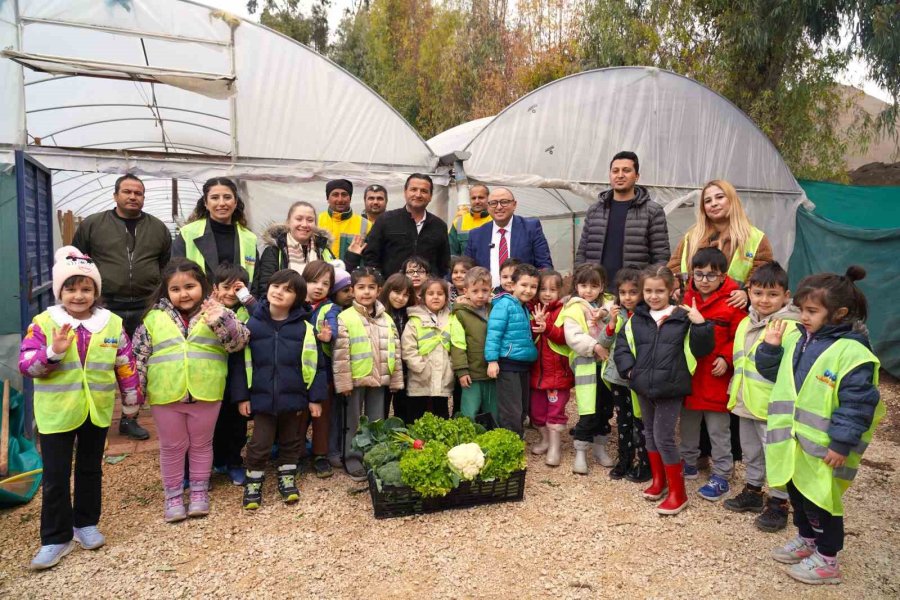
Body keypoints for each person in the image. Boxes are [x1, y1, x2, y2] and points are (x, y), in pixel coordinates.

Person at [757, 266, 882, 586]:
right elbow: (778, 375)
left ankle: (828, 560)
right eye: (801, 310)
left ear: (838, 313)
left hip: (825, 448)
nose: (803, 317)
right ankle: (807, 540)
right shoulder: (801, 339)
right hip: (796, 444)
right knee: (799, 497)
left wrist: (841, 444)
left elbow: (857, 404)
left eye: (811, 311)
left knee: (822, 502)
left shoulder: (852, 353)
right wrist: (770, 348)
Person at [20, 247, 141, 570]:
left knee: (90, 469)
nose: (78, 295)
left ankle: (86, 523)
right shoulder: (44, 323)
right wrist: (53, 353)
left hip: (95, 410)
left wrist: (131, 401)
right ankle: (54, 538)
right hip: (57, 412)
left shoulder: (111, 324)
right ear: (60, 291)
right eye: (71, 288)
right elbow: (27, 365)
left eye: (86, 288)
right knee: (56, 476)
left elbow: (125, 363)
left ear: (96, 292)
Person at [133, 258, 249, 522]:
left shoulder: (218, 311)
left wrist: (220, 320)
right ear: (166, 292)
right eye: (175, 289)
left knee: (201, 444)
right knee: (172, 446)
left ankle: (199, 492)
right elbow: (138, 357)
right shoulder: (153, 318)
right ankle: (173, 496)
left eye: (190, 286)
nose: (184, 294)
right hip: (166, 395)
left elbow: (238, 342)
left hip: (207, 392)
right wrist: (134, 397)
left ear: (202, 285)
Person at [72, 173, 170, 441]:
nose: (132, 197)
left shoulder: (157, 228)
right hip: (105, 306)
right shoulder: (94, 225)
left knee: (137, 364)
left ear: (143, 197)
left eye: (138, 193)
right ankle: (89, 419)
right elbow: (78, 261)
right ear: (115, 195)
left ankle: (130, 418)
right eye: (127, 191)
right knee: (98, 360)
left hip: (144, 306)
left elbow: (165, 265)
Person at [614, 265, 714, 515]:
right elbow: (622, 346)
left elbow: (702, 350)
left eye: (660, 290)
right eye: (648, 290)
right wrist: (629, 371)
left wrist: (701, 325)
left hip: (671, 386)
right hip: (643, 385)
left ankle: (678, 494)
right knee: (649, 433)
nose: (653, 296)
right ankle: (659, 482)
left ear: (672, 290)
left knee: (664, 437)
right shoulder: (637, 317)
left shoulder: (682, 318)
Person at [240, 269, 327, 509]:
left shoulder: (304, 328)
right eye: (276, 286)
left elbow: (317, 365)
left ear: (298, 298)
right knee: (260, 442)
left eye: (288, 290)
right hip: (262, 398)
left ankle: (287, 476)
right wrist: (242, 397)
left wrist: (315, 399)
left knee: (292, 440)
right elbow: (241, 364)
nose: (279, 292)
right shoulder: (252, 324)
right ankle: (254, 479)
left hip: (294, 397)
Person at [723, 261, 799, 532]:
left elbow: (789, 371)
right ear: (749, 291)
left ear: (786, 296)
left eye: (772, 294)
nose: (764, 300)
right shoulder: (745, 322)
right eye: (758, 293)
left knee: (776, 454)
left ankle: (779, 502)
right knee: (751, 451)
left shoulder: (790, 328)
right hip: (746, 401)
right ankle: (754, 492)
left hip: (773, 408)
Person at [678, 248, 747, 501]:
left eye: (711, 275)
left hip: (716, 376)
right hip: (690, 375)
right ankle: (688, 461)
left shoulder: (732, 303)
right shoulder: (686, 298)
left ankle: (722, 473)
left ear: (723, 276)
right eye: (699, 274)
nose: (704, 280)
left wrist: (726, 358)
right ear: (692, 275)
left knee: (719, 429)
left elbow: (740, 336)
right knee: (688, 423)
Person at [332, 267, 404, 480]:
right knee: (352, 421)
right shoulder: (345, 317)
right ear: (352, 291)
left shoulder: (386, 319)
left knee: (377, 420)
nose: (366, 292)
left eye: (371, 287)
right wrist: (343, 383)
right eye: (361, 287)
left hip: (380, 379)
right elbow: (341, 355)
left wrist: (395, 379)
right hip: (354, 380)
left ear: (379, 290)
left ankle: (374, 457)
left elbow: (395, 351)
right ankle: (352, 458)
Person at [669, 179, 773, 306]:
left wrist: (747, 293)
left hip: (731, 311)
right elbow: (673, 268)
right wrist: (675, 288)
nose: (713, 204)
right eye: (708, 201)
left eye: (719, 197)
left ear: (732, 200)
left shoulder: (755, 237)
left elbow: (763, 273)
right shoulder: (691, 237)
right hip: (692, 308)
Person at [575, 151, 670, 287]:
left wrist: (651, 289)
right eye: (615, 171)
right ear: (610, 175)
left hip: (633, 293)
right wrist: (579, 284)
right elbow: (582, 253)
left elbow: (661, 257)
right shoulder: (595, 210)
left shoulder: (652, 211)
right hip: (597, 292)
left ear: (637, 176)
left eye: (626, 170)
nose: (620, 175)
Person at [555, 264, 615, 474]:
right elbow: (573, 337)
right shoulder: (573, 308)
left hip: (607, 365)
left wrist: (605, 314)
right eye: (583, 285)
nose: (588, 290)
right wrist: (595, 346)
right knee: (588, 408)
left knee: (606, 408)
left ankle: (600, 448)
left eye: (594, 285)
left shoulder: (608, 303)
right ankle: (581, 451)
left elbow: (617, 316)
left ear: (602, 286)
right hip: (586, 364)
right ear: (576, 286)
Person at [598, 267, 651, 482]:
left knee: (642, 421)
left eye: (633, 292)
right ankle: (624, 459)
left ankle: (645, 462)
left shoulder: (646, 315)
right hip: (618, 377)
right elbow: (603, 342)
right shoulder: (617, 313)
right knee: (623, 420)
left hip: (638, 377)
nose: (627, 297)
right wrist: (610, 323)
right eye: (623, 292)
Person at [210, 263, 255, 486]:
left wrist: (246, 298)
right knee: (213, 424)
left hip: (239, 379)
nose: (231, 293)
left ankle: (234, 462)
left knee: (237, 425)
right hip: (211, 377)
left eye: (237, 288)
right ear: (215, 288)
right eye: (226, 287)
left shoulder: (247, 311)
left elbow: (263, 317)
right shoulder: (207, 310)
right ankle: (216, 461)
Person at [485, 263, 540, 437]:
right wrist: (492, 361)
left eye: (533, 287)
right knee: (511, 411)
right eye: (524, 285)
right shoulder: (504, 305)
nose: (528, 290)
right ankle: (512, 451)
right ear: (513, 285)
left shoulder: (524, 307)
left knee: (522, 408)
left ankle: (517, 440)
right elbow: (494, 333)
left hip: (522, 365)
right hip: (508, 365)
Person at [360, 173, 451, 278]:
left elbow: (444, 264)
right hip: (393, 290)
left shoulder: (439, 226)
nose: (418, 194)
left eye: (424, 191)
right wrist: (382, 283)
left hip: (426, 291)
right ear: (405, 192)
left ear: (430, 196)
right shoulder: (385, 221)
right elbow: (371, 257)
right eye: (413, 189)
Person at [173, 177, 259, 282]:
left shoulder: (249, 238)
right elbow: (175, 272)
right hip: (200, 297)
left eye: (227, 197)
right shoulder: (188, 233)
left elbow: (255, 280)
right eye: (215, 198)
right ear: (205, 203)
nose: (222, 203)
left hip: (238, 297)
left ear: (235, 202)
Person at [465, 187, 553, 288]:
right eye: (493, 203)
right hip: (487, 299)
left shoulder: (531, 228)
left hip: (524, 298)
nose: (499, 207)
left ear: (514, 204)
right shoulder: (477, 235)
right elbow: (468, 271)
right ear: (488, 207)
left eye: (504, 202)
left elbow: (544, 266)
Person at [528, 270, 572, 467]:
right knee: (537, 411)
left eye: (552, 289)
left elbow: (565, 337)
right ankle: (545, 440)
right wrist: (534, 324)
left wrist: (547, 327)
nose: (547, 293)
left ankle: (555, 446)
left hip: (557, 373)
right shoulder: (530, 308)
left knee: (555, 411)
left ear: (560, 291)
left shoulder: (564, 311)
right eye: (543, 289)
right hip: (537, 373)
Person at [301, 260, 339, 478]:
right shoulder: (295, 304)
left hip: (322, 370)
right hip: (297, 371)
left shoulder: (329, 307)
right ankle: (295, 454)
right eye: (313, 281)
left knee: (322, 415)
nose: (318, 287)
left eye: (325, 284)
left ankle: (320, 454)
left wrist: (329, 334)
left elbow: (332, 323)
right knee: (297, 415)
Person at [254, 201, 335, 297]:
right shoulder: (274, 251)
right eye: (299, 219)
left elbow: (336, 285)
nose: (304, 224)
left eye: (310, 220)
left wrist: (351, 257)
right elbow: (265, 289)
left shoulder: (324, 250)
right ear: (288, 222)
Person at [402, 278, 454, 421]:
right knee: (416, 419)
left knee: (441, 417)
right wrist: (420, 367)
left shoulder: (451, 319)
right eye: (431, 293)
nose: (436, 297)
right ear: (423, 297)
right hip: (420, 380)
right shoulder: (414, 320)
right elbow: (408, 348)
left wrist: (451, 366)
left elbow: (456, 345)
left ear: (446, 297)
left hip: (443, 379)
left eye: (440, 294)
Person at [449, 267, 497, 422]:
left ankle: (494, 438)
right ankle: (467, 440)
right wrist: (462, 371)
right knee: (469, 411)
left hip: (493, 373)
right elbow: (458, 344)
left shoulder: (495, 309)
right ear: (465, 291)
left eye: (485, 290)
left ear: (491, 290)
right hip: (472, 373)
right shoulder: (460, 314)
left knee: (493, 411)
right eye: (475, 291)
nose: (481, 295)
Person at [379, 274, 417, 421]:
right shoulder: (378, 313)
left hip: (404, 369)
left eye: (405, 295)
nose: (400, 298)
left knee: (403, 410)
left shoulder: (410, 315)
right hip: (384, 369)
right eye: (397, 292)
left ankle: (400, 440)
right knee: (380, 409)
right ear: (387, 290)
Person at [317, 179, 371, 260]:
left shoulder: (366, 225)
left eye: (344, 195)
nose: (340, 199)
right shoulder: (316, 221)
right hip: (321, 271)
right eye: (335, 195)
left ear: (350, 198)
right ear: (327, 198)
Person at [449, 184, 492, 256]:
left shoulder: (496, 220)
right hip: (466, 267)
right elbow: (452, 253)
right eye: (473, 198)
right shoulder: (458, 222)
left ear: (489, 199)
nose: (477, 201)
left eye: (481, 197)